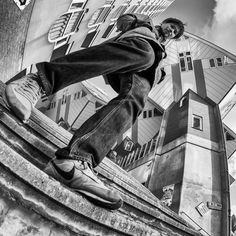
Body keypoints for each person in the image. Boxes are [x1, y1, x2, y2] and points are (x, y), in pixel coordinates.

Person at [5, 13, 185, 210]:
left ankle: (76, 161)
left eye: (175, 32)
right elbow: (124, 20)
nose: (171, 30)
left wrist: (158, 76)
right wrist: (130, 22)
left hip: (142, 74)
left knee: (136, 100)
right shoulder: (148, 23)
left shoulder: (163, 53)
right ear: (165, 23)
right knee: (146, 53)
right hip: (131, 49)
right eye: (171, 26)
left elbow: (157, 74)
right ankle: (37, 81)